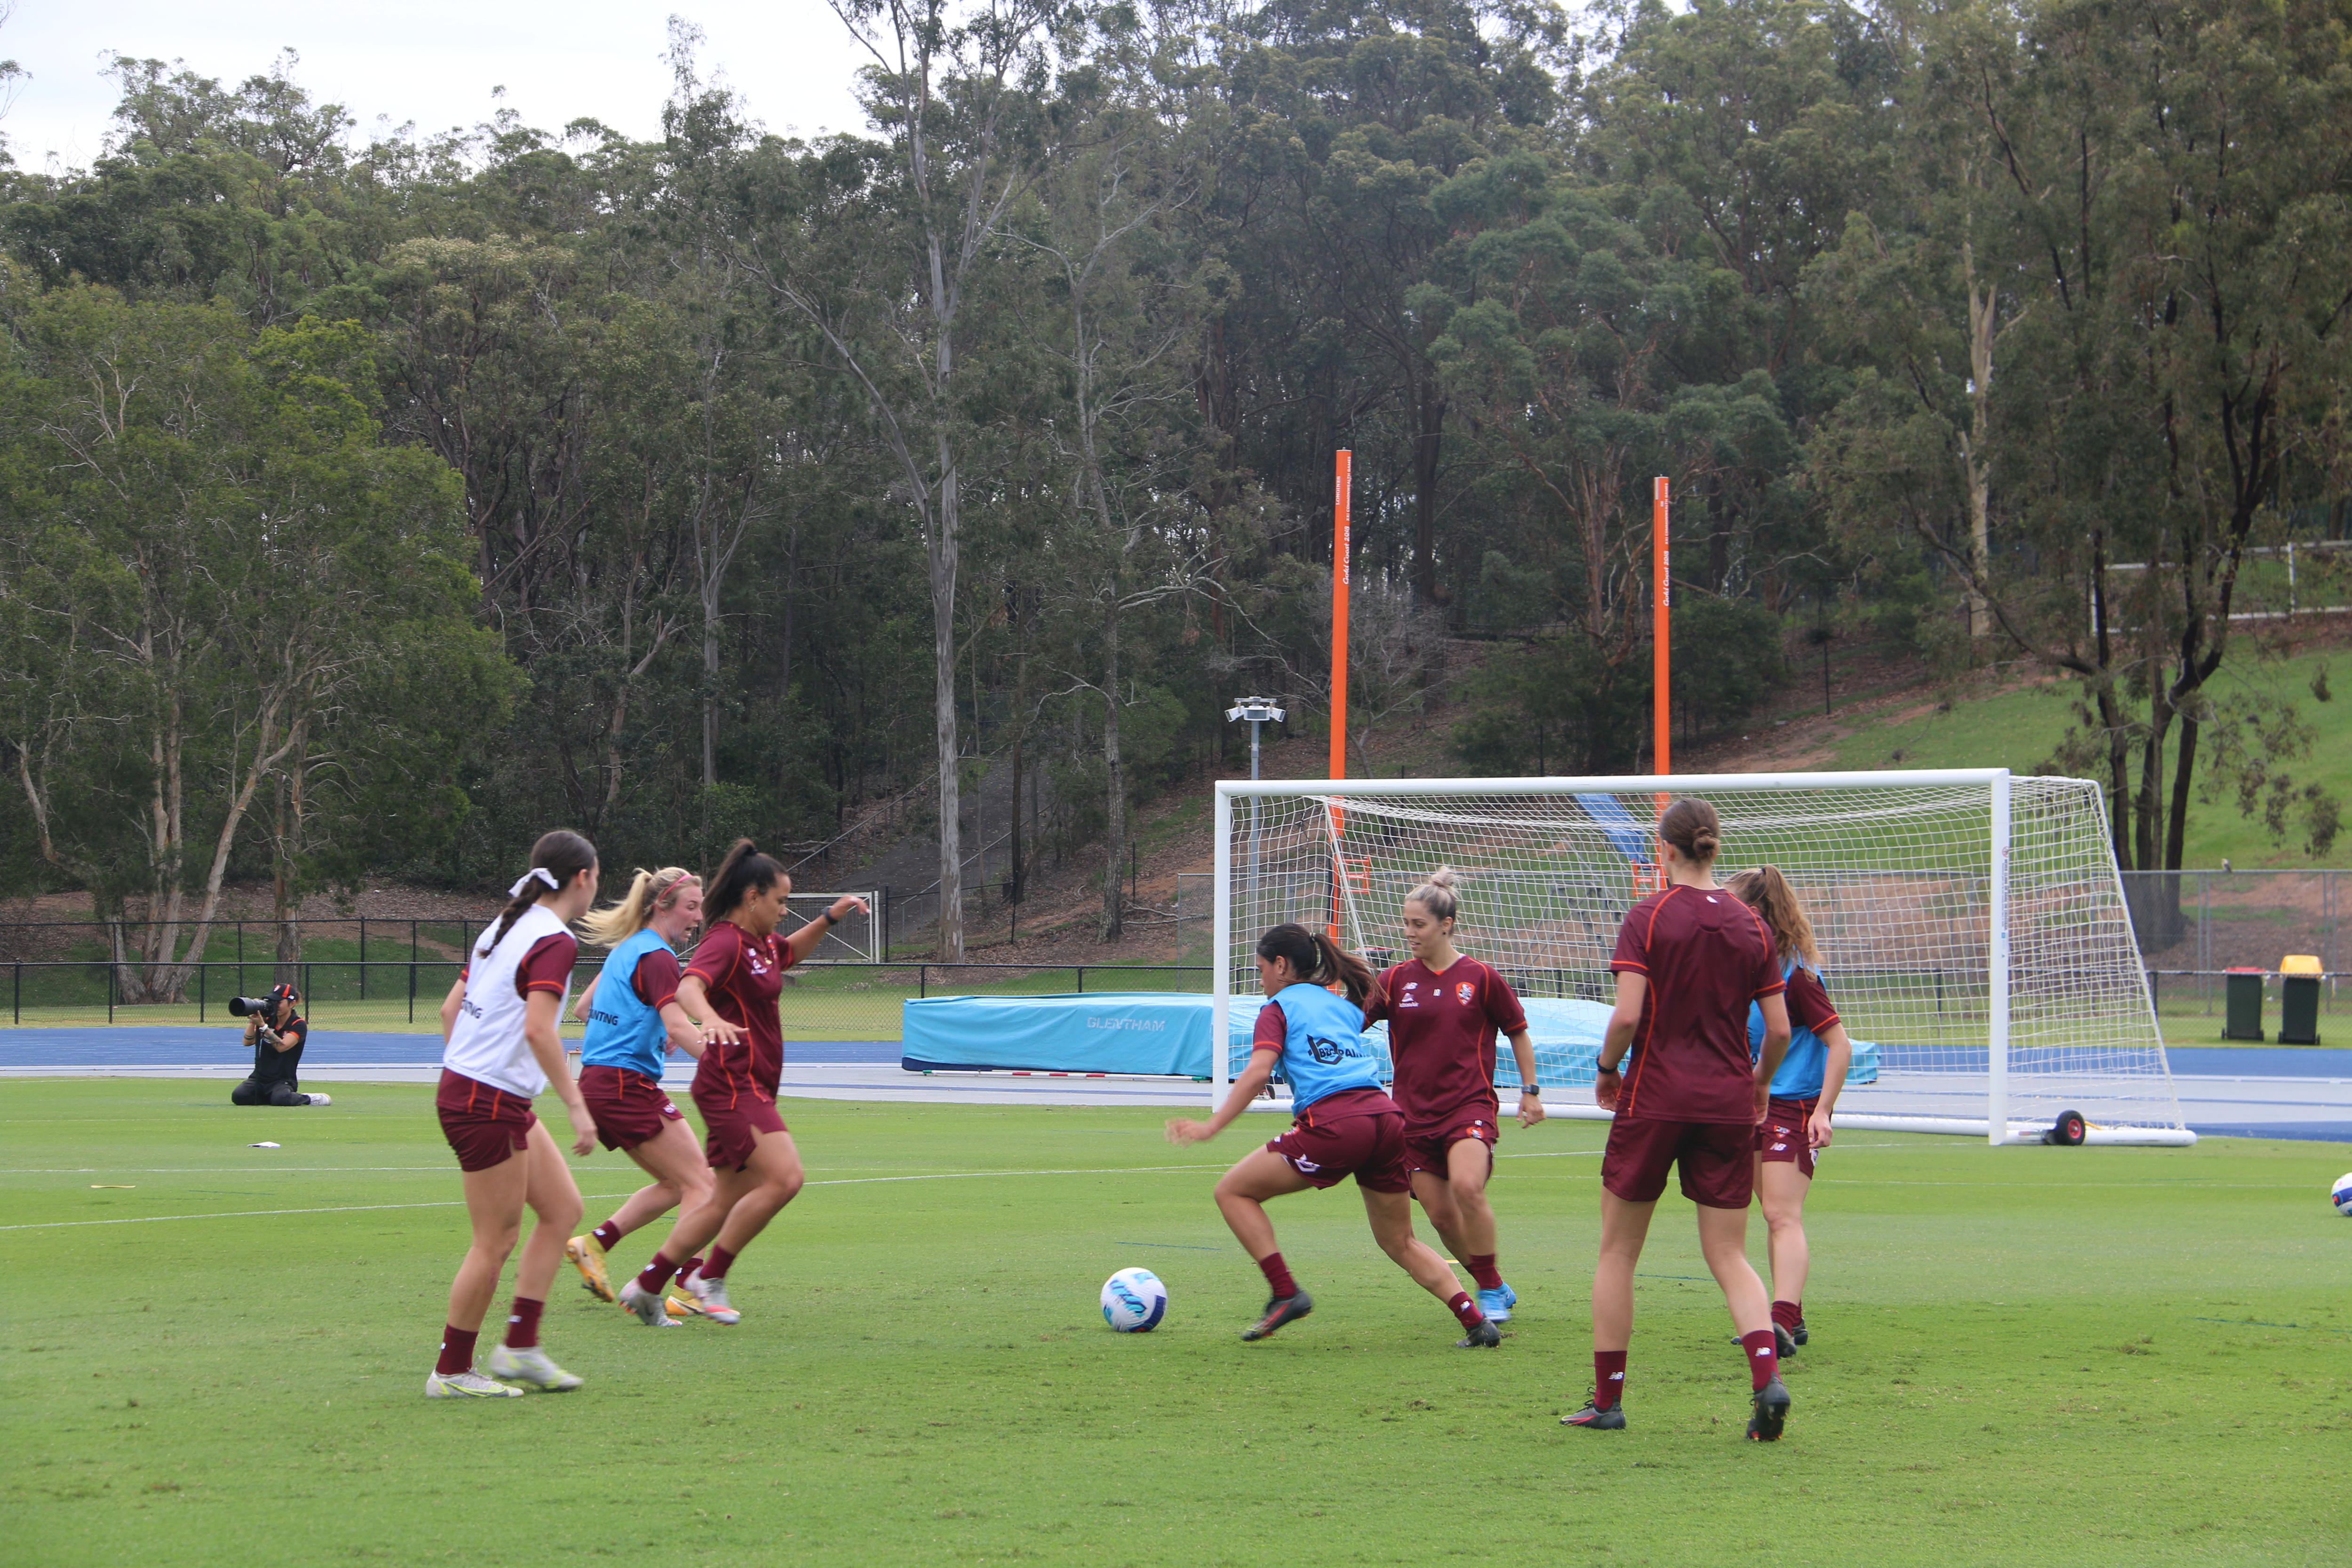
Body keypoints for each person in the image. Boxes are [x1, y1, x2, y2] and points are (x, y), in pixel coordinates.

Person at [1564, 798, 1796, 1440]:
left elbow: (1629, 1015)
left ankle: (1608, 1401)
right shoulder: (1754, 927)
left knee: (1618, 1252)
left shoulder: (1649, 915)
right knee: (1729, 1252)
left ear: (1663, 848)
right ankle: (1765, 1378)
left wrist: (1608, 1068)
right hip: (1726, 1102)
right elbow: (1777, 1029)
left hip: (1656, 1097)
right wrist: (1759, 1084)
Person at [1167, 923, 1499, 1348]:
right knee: (1401, 1240)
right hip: (1387, 1119)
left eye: (1262, 968)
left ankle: (1286, 1292)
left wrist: (1211, 1125)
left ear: (1282, 966)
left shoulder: (1277, 1009)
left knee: (1233, 1192)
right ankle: (1475, 1320)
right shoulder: (1339, 1005)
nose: (1262, 978)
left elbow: (1257, 1073)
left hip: (1339, 1124)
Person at [616, 840, 866, 1327]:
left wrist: (830, 919)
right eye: (780, 901)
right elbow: (689, 986)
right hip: (732, 1086)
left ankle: (647, 1285)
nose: (784, 910)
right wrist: (708, 1018)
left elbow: (789, 952)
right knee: (786, 1177)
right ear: (753, 898)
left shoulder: (762, 945)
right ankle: (708, 1277)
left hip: (752, 1085)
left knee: (720, 1200)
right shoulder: (726, 941)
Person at [424, 829, 601, 1399]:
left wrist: (474, 1068)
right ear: (583, 879)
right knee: (494, 1242)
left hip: (484, 1092)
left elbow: (452, 1012)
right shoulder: (553, 939)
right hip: (487, 1099)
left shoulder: (506, 926)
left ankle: (520, 1348)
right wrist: (577, 1107)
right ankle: (450, 1373)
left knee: (562, 1209)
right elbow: (538, 1030)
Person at [1363, 868, 1542, 1325]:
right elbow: (1347, 1023)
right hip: (1410, 1119)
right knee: (1441, 1217)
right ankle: (1492, 1284)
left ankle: (1488, 1291)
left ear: (1445, 925)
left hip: (1468, 1107)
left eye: (1417, 924)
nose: (1408, 933)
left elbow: (1517, 1033)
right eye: (1405, 923)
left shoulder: (1480, 978)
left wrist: (1530, 1092)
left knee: (1466, 1188)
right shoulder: (1394, 980)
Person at [562, 867, 739, 1322]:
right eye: (691, 907)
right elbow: (680, 1022)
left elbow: (586, 1008)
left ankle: (593, 1244)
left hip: (601, 1081)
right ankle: (685, 1284)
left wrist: (650, 1027)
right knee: (705, 1183)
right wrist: (726, 1069)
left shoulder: (626, 949)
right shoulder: (659, 957)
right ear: (662, 906)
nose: (698, 918)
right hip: (625, 1084)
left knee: (676, 1184)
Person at [1725, 866, 1855, 1359]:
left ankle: (1777, 1322)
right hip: (1749, 1105)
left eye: (1732, 909)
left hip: (1792, 1106)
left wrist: (1823, 1110)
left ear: (1755, 914)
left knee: (1782, 1214)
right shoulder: (1740, 968)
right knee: (1767, 1211)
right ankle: (1790, 1317)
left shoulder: (1795, 975)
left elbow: (1839, 1045)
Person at [228, 983, 330, 1107]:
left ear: (292, 1004)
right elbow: (247, 1042)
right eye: (272, 1002)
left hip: (283, 1079)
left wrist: (264, 1027)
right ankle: (272, 1097)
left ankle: (309, 1099)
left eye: (279, 1002)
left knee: (282, 1099)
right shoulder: (269, 1020)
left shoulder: (298, 1024)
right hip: (259, 1078)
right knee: (239, 1096)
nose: (275, 1006)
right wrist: (253, 1019)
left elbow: (282, 1047)